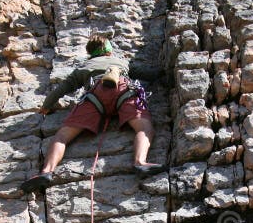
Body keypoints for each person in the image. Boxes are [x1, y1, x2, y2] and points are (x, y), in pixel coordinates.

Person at [21, 33, 162, 192]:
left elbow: (62, 89)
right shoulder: (122, 62)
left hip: (95, 96)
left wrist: (46, 107)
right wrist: (165, 71)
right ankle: (140, 162)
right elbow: (149, 74)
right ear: (109, 51)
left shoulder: (83, 68)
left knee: (62, 136)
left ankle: (46, 172)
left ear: (90, 53)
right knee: (144, 128)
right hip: (123, 91)